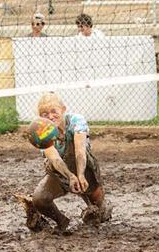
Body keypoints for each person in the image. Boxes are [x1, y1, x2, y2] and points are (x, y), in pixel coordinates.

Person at [23, 92, 112, 233]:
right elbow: (55, 159)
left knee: (98, 214)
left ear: (63, 110)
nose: (50, 117)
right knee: (39, 199)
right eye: (45, 114)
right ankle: (61, 221)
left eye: (54, 111)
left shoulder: (76, 121)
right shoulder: (41, 132)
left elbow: (80, 152)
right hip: (60, 172)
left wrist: (80, 175)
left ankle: (95, 202)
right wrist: (70, 176)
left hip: (84, 168)